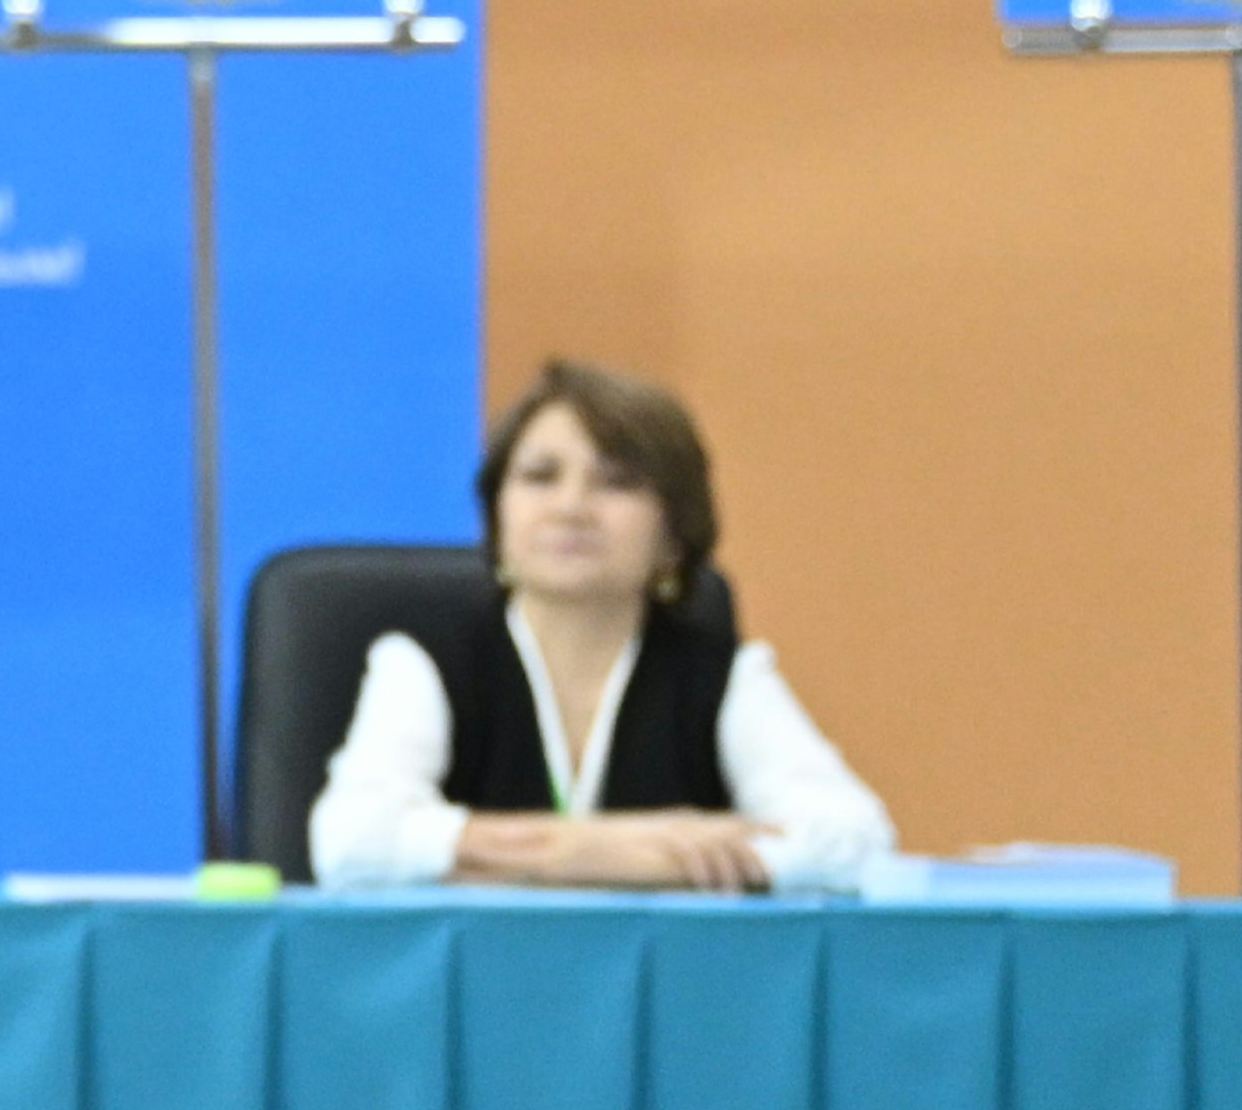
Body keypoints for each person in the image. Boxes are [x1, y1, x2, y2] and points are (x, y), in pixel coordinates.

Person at [305, 356, 894, 893]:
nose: (571, 507)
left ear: (674, 534)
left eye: (617, 483)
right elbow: (350, 842)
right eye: (540, 476)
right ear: (497, 516)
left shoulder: (723, 676)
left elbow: (857, 841)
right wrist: (603, 846)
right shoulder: (424, 660)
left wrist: (522, 856)